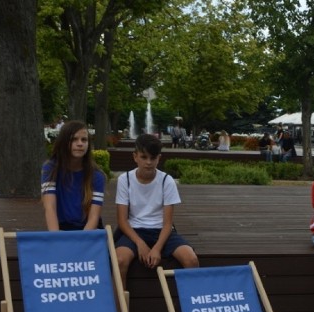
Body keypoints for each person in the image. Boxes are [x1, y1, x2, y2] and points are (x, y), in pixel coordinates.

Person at [115, 134, 199, 287]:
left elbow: (168, 223)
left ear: (159, 158)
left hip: (161, 230)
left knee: (191, 259)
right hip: (134, 230)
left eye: (153, 158)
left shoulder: (166, 181)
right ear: (135, 157)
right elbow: (122, 221)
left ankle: (193, 307)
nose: (148, 162)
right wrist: (140, 243)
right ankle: (120, 309)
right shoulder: (124, 179)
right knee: (119, 260)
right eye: (144, 157)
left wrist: (157, 249)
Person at [41, 120, 106, 231]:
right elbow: (50, 208)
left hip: (87, 231)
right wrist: (57, 240)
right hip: (59, 229)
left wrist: (80, 244)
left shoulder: (97, 175)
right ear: (64, 142)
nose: (80, 143)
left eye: (84, 140)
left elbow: (93, 217)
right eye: (74, 139)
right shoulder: (50, 168)